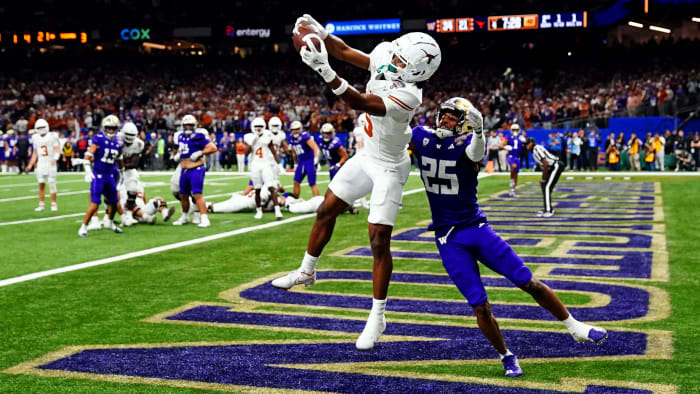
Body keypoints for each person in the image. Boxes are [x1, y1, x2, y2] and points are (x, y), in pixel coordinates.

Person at [271, 15, 441, 351]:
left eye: (400, 61)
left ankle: (378, 317)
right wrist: (321, 33)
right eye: (395, 54)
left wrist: (325, 71)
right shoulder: (388, 54)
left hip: (390, 167)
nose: (392, 60)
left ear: (417, 72)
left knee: (378, 240)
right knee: (326, 210)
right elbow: (345, 50)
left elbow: (360, 103)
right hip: (365, 155)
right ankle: (307, 271)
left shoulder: (410, 94)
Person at [410, 97, 607, 378]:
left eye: (453, 117)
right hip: (448, 239)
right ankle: (506, 356)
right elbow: (395, 133)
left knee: (529, 282)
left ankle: (576, 327)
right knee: (479, 305)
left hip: (476, 229)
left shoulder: (468, 143)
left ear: (464, 124)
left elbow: (477, 154)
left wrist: (479, 132)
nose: (445, 120)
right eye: (444, 115)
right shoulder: (420, 136)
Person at [78, 115, 124, 237]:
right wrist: (88, 171)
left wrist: (122, 171)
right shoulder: (98, 138)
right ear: (104, 128)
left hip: (109, 175)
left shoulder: (119, 141)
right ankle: (83, 227)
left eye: (113, 128)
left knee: (114, 202)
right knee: (95, 204)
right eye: (109, 128)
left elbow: (119, 158)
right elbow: (87, 157)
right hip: (98, 175)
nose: (111, 130)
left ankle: (109, 222)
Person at [171, 115, 218, 228]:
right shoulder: (180, 136)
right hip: (184, 169)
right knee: (183, 195)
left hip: (196, 168)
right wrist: (177, 155)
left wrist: (200, 153)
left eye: (190, 125)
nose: (187, 127)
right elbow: (181, 149)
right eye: (186, 125)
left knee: (197, 194)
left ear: (194, 126)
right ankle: (185, 216)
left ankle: (204, 218)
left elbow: (213, 148)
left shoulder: (199, 136)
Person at [244, 117, 284, 220]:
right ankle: (258, 211)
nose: (258, 129)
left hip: (266, 164)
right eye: (256, 127)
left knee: (271, 187)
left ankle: (277, 210)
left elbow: (274, 152)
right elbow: (245, 153)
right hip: (255, 164)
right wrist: (253, 140)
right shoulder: (249, 137)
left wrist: (279, 165)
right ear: (253, 127)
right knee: (257, 189)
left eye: (260, 127)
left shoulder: (268, 136)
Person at [25, 119, 60, 212]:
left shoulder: (52, 136)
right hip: (41, 163)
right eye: (39, 128)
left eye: (42, 127)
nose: (41, 129)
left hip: (50, 162)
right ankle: (41, 204)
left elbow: (57, 149)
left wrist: (55, 158)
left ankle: (54, 204)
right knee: (41, 184)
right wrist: (30, 165)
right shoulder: (35, 137)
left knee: (52, 183)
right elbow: (35, 153)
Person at [526, 137, 563, 217]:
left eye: (527, 144)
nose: (526, 146)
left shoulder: (536, 148)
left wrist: (544, 178)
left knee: (547, 187)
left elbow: (545, 163)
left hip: (555, 165)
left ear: (531, 143)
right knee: (544, 186)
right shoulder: (534, 150)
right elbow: (544, 165)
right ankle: (547, 208)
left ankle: (549, 210)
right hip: (552, 166)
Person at [118, 122, 145, 227]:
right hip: (114, 169)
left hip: (128, 169)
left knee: (133, 189)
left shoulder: (138, 144)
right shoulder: (116, 139)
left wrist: (121, 163)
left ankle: (129, 215)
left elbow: (134, 163)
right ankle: (108, 217)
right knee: (110, 193)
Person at [287, 120, 320, 197]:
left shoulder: (305, 136)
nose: (295, 131)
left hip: (309, 161)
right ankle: (295, 199)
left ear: (300, 129)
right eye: (293, 129)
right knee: (296, 181)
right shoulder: (290, 138)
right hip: (301, 162)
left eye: (297, 129)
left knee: (312, 183)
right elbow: (293, 152)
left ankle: (317, 201)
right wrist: (295, 163)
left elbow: (315, 147)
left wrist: (316, 159)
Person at [501, 124, 522, 197]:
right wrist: (506, 147)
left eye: (516, 130)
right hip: (510, 156)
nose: (515, 131)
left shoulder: (521, 138)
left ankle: (512, 189)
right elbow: (502, 145)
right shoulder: (508, 137)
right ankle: (511, 185)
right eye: (513, 130)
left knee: (516, 174)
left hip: (517, 157)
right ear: (511, 130)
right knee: (513, 167)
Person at [268, 116, 290, 188]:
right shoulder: (266, 134)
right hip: (267, 159)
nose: (275, 127)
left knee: (276, 179)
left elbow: (285, 146)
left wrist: (290, 149)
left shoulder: (281, 134)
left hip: (276, 159)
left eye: (276, 126)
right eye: (273, 126)